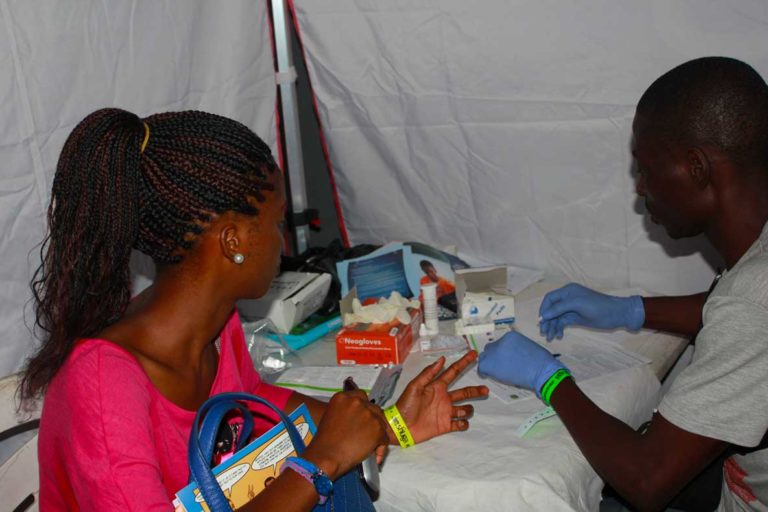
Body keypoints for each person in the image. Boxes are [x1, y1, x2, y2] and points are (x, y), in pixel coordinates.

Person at [21, 108, 488, 511]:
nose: (282, 241)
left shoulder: (214, 323)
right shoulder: (103, 387)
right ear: (234, 241)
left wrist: (382, 425)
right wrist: (322, 461)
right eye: (276, 221)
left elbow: (256, 395)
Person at [478, 56, 768, 511]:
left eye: (647, 169)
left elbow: (646, 481)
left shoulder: (754, 305)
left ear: (696, 168)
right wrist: (630, 309)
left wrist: (550, 379)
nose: (640, 189)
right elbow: (727, 307)